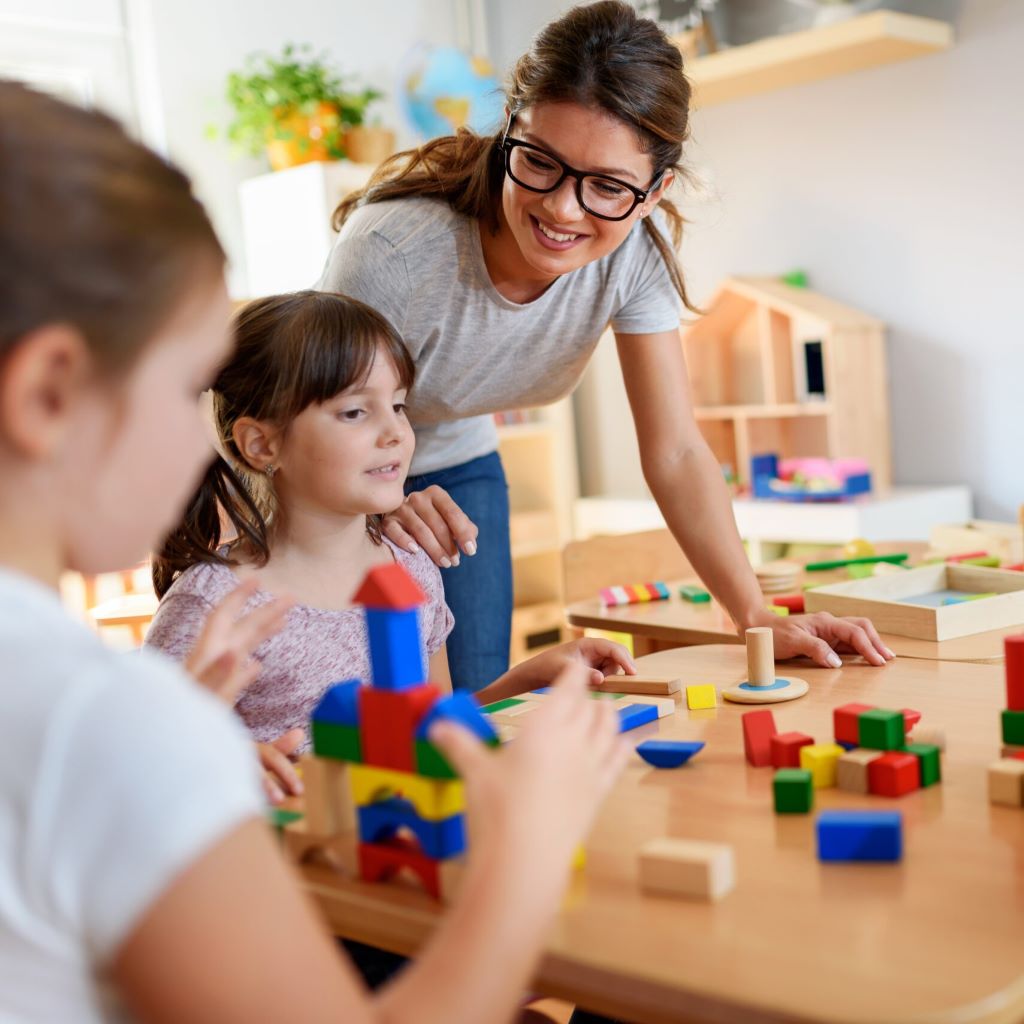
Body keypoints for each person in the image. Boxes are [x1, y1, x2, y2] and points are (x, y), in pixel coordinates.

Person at [0, 79, 628, 1023]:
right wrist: (528, 855)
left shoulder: (101, 708)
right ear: (50, 394)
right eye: (188, 386)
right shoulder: (99, 719)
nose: (201, 439)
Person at [319, 0, 893, 692]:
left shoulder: (631, 261)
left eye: (607, 187)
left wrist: (753, 614)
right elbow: (303, 419)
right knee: (349, 704)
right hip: (324, 467)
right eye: (541, 162)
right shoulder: (395, 251)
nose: (563, 209)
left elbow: (677, 451)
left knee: (470, 710)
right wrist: (377, 503)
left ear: (654, 193)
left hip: (455, 466)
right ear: (510, 133)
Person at [146, 289, 635, 801]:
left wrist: (529, 680)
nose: (396, 433)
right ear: (262, 444)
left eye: (398, 405)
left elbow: (432, 728)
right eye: (355, 412)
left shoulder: (412, 567)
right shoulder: (211, 607)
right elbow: (143, 775)